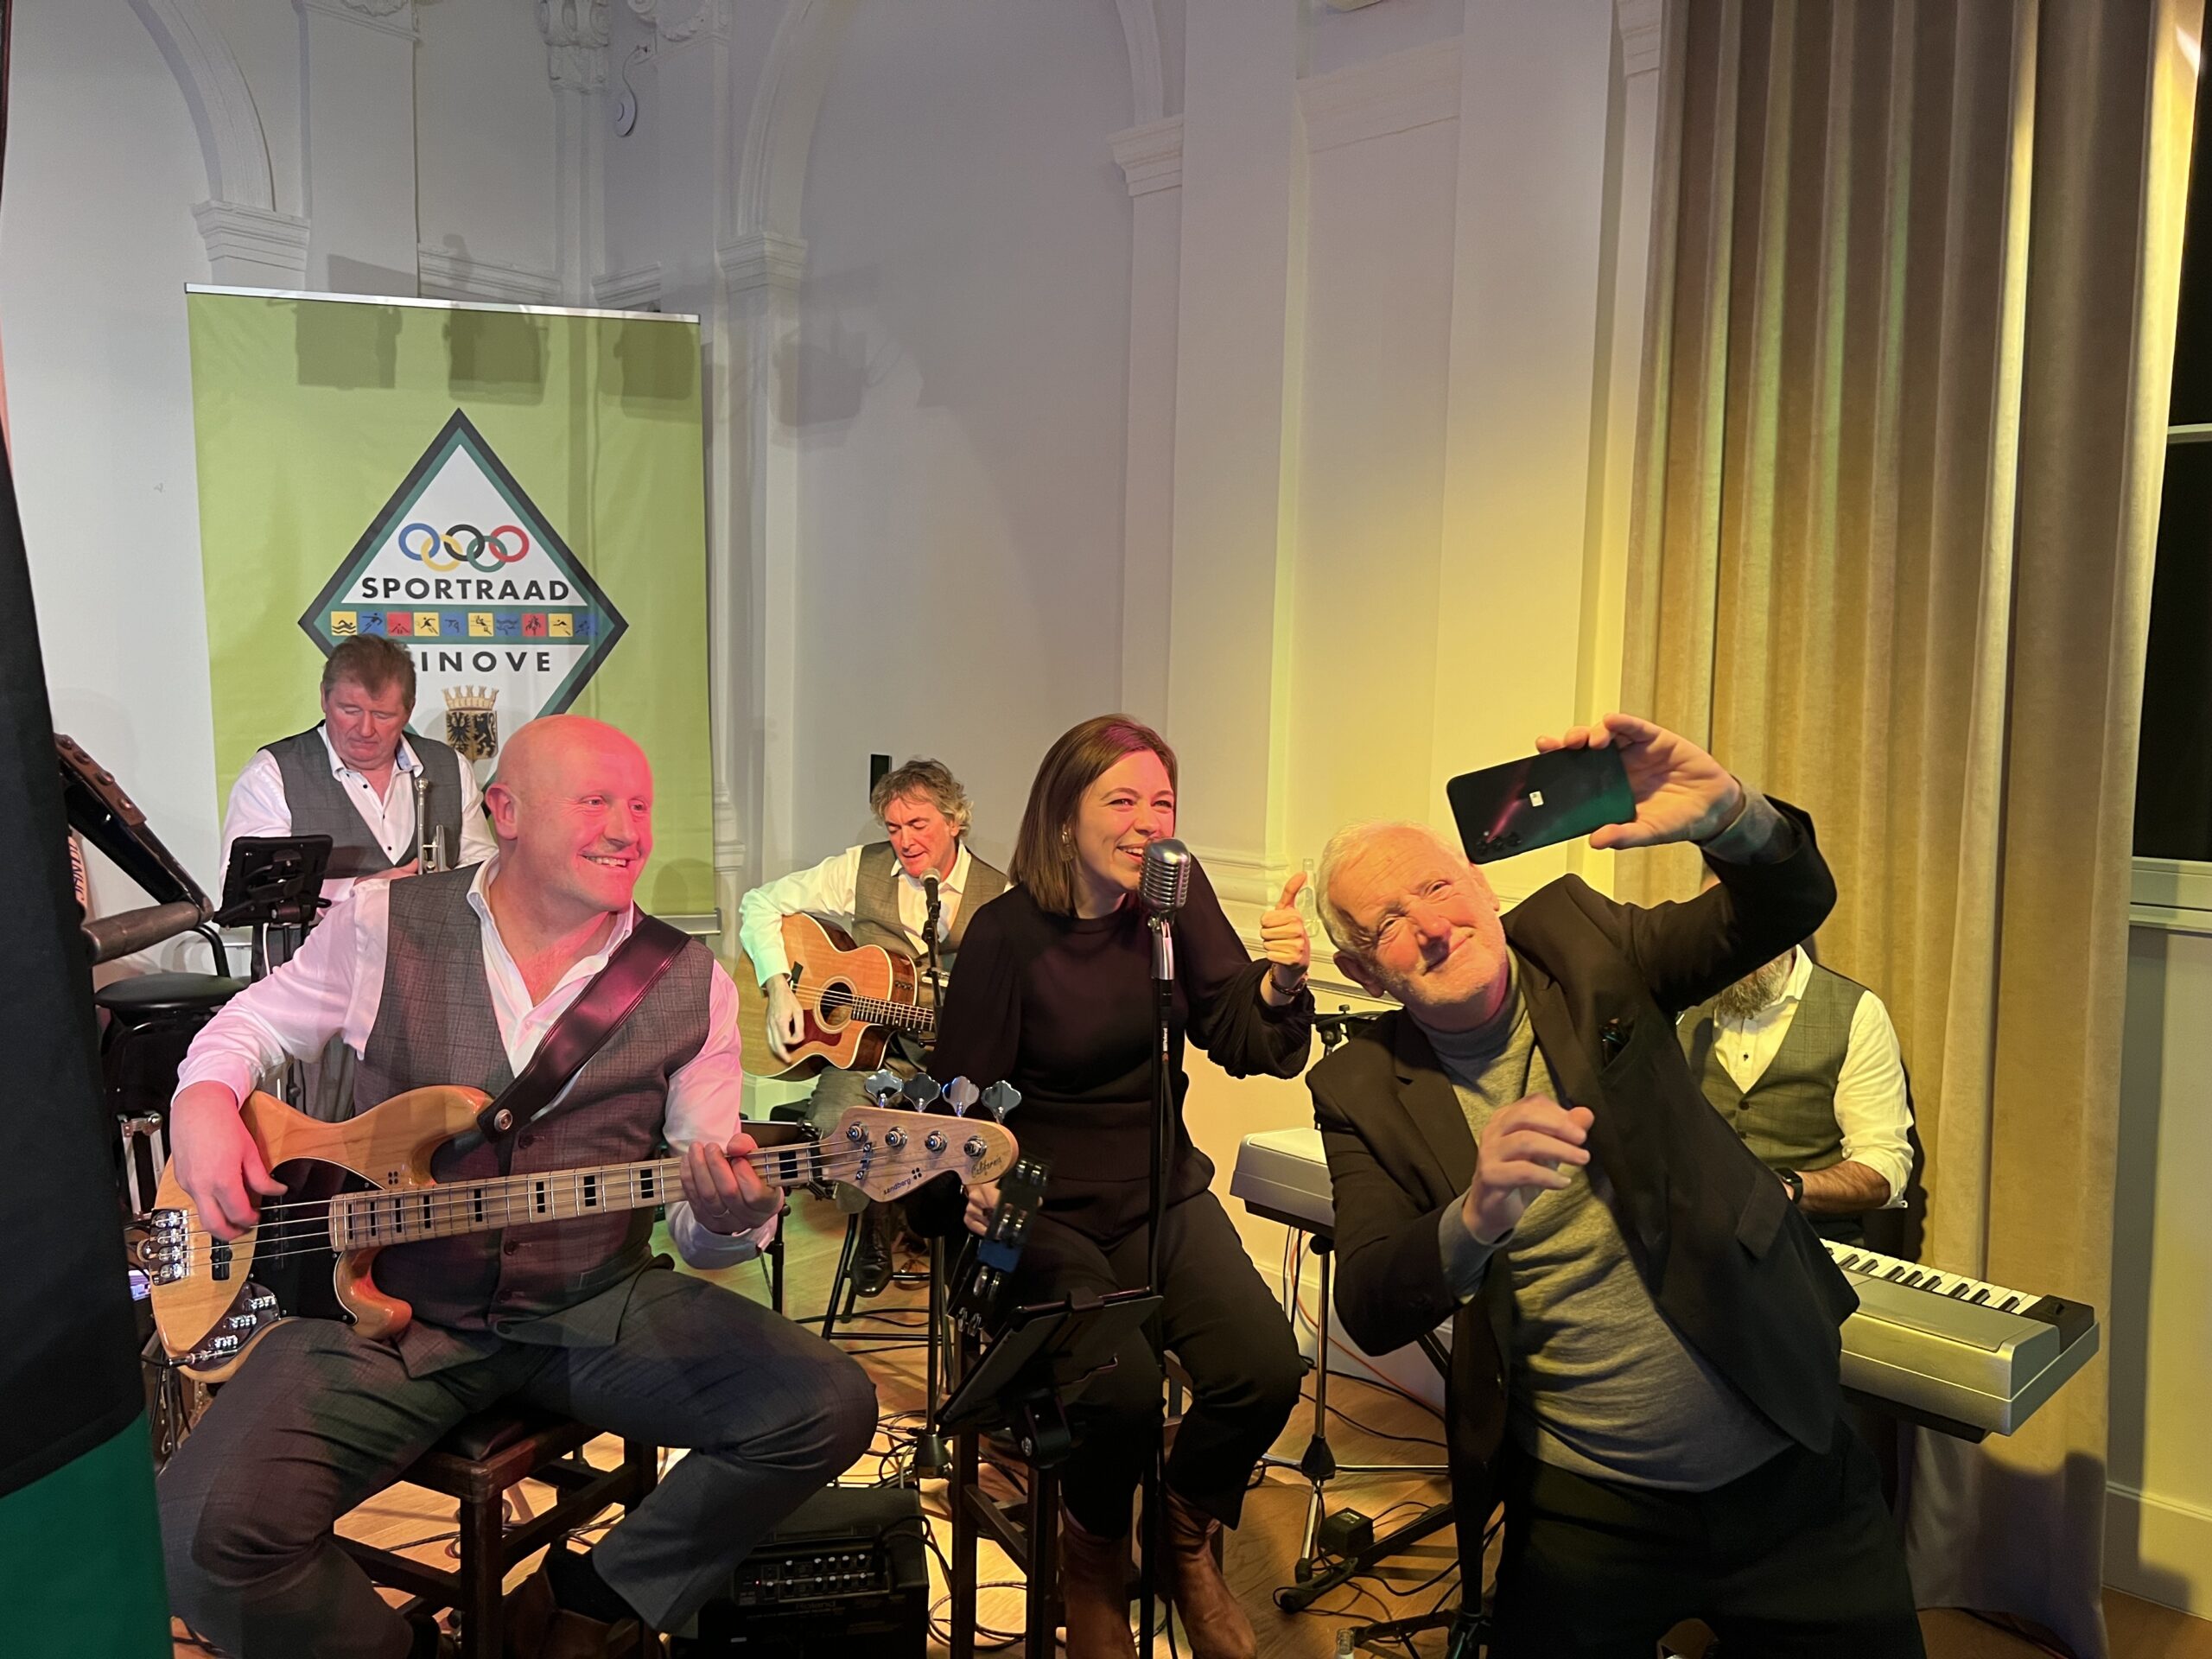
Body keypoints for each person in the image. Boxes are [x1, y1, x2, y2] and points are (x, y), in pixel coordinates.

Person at [159, 716, 877, 1659]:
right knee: (196, 1535)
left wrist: (728, 1221)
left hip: (595, 1305)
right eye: (596, 802)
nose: (627, 830)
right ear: (506, 811)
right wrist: (203, 1103)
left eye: (640, 806)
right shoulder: (383, 923)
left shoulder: (688, 980)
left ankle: (591, 1597)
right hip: (389, 1314)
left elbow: (703, 1221)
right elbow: (247, 1026)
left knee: (825, 1405)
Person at [1308, 714, 1922, 1658]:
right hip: (1585, 1509)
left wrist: (1732, 818)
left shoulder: (1581, 940)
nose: (1430, 926)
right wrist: (1475, 1217)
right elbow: (1369, 1297)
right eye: (1387, 924)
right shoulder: (1358, 1087)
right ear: (1362, 972)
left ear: (1481, 884)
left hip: (1787, 1459)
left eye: (1436, 886)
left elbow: (1785, 904)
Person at [918, 715, 1313, 1659]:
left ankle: (1184, 1537)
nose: (1148, 823)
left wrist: (1278, 986)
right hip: (1039, 1206)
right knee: (1121, 1390)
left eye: (1162, 803)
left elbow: (1238, 1031)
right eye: (1122, 800)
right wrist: (968, 1185)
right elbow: (955, 1105)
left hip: (1157, 1192)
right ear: (1065, 816)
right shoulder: (1005, 934)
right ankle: (1092, 1560)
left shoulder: (1174, 902)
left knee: (1265, 1368)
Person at [735, 757, 1007, 1294]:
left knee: (960, 1134)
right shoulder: (859, 868)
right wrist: (780, 988)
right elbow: (759, 903)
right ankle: (873, 1225)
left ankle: (931, 1234)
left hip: (950, 1059)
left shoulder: (999, 893)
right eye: (893, 827)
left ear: (955, 820)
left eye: (918, 824)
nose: (904, 841)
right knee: (835, 1124)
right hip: (870, 1054)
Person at [1678, 909, 1914, 1245]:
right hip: (1693, 1240)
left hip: (1809, 1243)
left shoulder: (1857, 1012)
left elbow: (1884, 1166)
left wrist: (1791, 1188)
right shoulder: (1682, 1000)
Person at [221, 633, 497, 903]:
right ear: (324, 698)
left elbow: (484, 870)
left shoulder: (450, 766)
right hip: (315, 937)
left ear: (409, 710)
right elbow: (250, 892)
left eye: (382, 715)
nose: (365, 729)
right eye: (350, 710)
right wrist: (360, 889)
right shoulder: (272, 774)